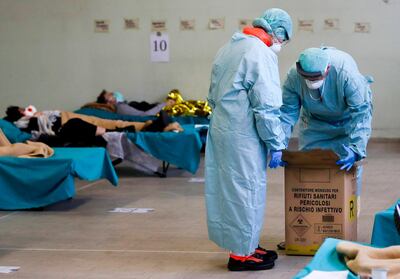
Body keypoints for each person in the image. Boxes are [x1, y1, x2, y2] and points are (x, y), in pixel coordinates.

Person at [205, 8, 292, 271]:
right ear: (276, 32)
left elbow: (211, 93)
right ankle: (242, 254)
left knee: (229, 190)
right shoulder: (260, 52)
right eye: (284, 38)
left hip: (222, 128)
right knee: (247, 190)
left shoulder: (231, 46)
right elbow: (265, 106)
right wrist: (276, 142)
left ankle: (247, 244)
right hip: (242, 133)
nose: (282, 44)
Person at [280, 47, 373, 217]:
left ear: (327, 70)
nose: (311, 81)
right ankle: (313, 222)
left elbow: (361, 114)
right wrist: (277, 145)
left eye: (316, 77)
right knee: (309, 166)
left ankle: (347, 220)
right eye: (306, 77)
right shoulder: (294, 76)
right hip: (315, 123)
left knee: (347, 171)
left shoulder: (345, 74)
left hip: (347, 122)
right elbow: (287, 113)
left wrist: (356, 149)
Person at [4, 105, 183, 146]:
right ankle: (151, 126)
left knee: (114, 123)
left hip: (66, 117)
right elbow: (40, 131)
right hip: (65, 123)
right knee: (113, 125)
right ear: (19, 113)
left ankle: (151, 124)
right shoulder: (24, 124)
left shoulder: (31, 119)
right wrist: (34, 115)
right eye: (22, 109)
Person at [96, 90, 176, 116]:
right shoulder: (121, 108)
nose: (113, 93)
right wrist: (164, 104)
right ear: (108, 103)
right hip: (157, 111)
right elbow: (144, 115)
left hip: (155, 107)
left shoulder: (123, 105)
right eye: (110, 95)